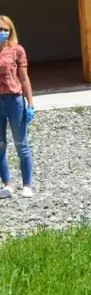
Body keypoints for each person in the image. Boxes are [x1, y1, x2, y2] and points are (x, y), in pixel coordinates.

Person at [0, 15, 35, 199]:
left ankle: (27, 185)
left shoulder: (17, 50)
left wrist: (30, 103)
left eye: (5, 29)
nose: (2, 33)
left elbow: (24, 77)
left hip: (15, 100)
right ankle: (7, 184)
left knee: (21, 143)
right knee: (0, 145)